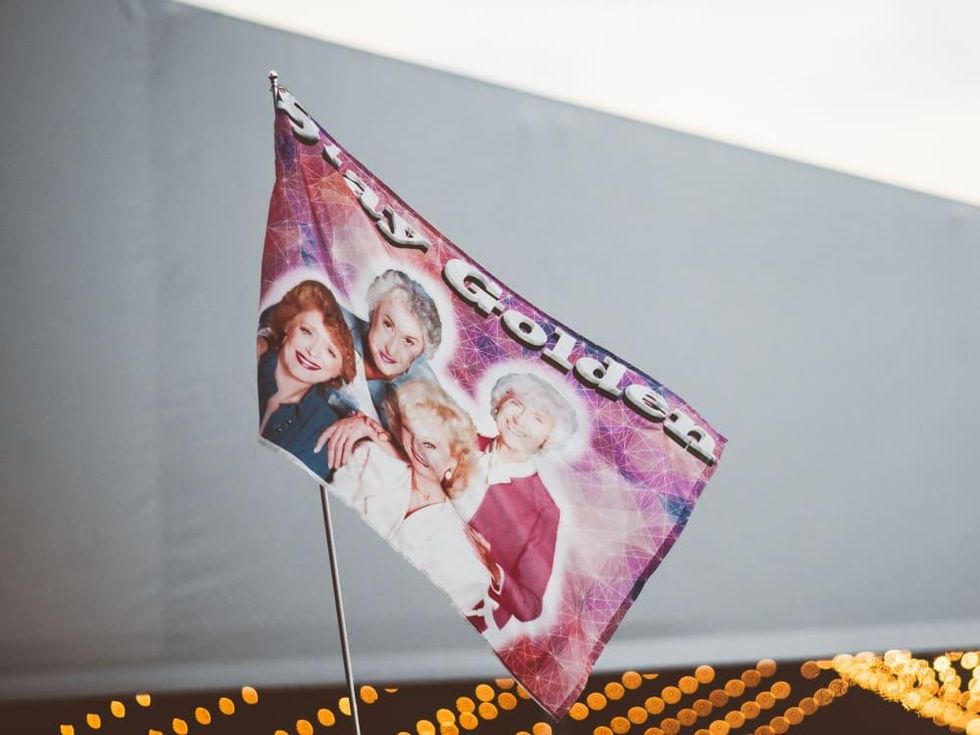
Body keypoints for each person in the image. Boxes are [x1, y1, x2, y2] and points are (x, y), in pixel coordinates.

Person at [328, 380, 493, 616]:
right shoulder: (370, 459)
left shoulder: (465, 563)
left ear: (456, 460)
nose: (418, 448)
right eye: (412, 430)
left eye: (432, 444)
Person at [456, 373, 578, 633]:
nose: (520, 420)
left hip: (462, 616)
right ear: (499, 404)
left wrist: (493, 569)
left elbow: (529, 606)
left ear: (548, 437)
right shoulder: (457, 436)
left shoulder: (543, 509)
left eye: (538, 418)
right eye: (517, 404)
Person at [314, 269, 444, 470]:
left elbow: (428, 463)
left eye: (408, 341)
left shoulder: (422, 393)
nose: (391, 348)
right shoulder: (335, 321)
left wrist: (372, 432)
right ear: (373, 311)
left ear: (420, 353)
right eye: (388, 325)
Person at [258, 280, 357, 480]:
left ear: (339, 371)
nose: (313, 351)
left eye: (330, 351)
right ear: (288, 325)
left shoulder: (328, 429)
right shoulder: (248, 357)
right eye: (307, 332)